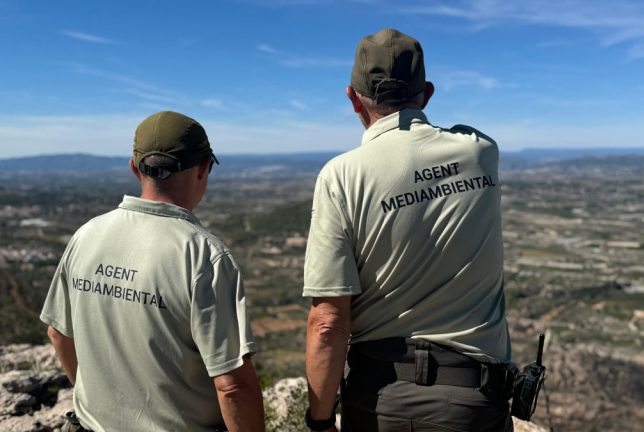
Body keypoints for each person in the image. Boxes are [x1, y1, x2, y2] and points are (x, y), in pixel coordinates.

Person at [303, 29, 514, 432]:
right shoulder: (481, 152)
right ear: (427, 94)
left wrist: (321, 421)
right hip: (474, 403)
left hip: (380, 401)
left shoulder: (341, 176)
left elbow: (328, 322)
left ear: (352, 99)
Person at [40, 111, 265, 432]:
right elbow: (232, 386)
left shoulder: (86, 235)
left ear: (135, 169)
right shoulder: (205, 257)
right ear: (204, 168)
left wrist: (98, 402)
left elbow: (58, 333)